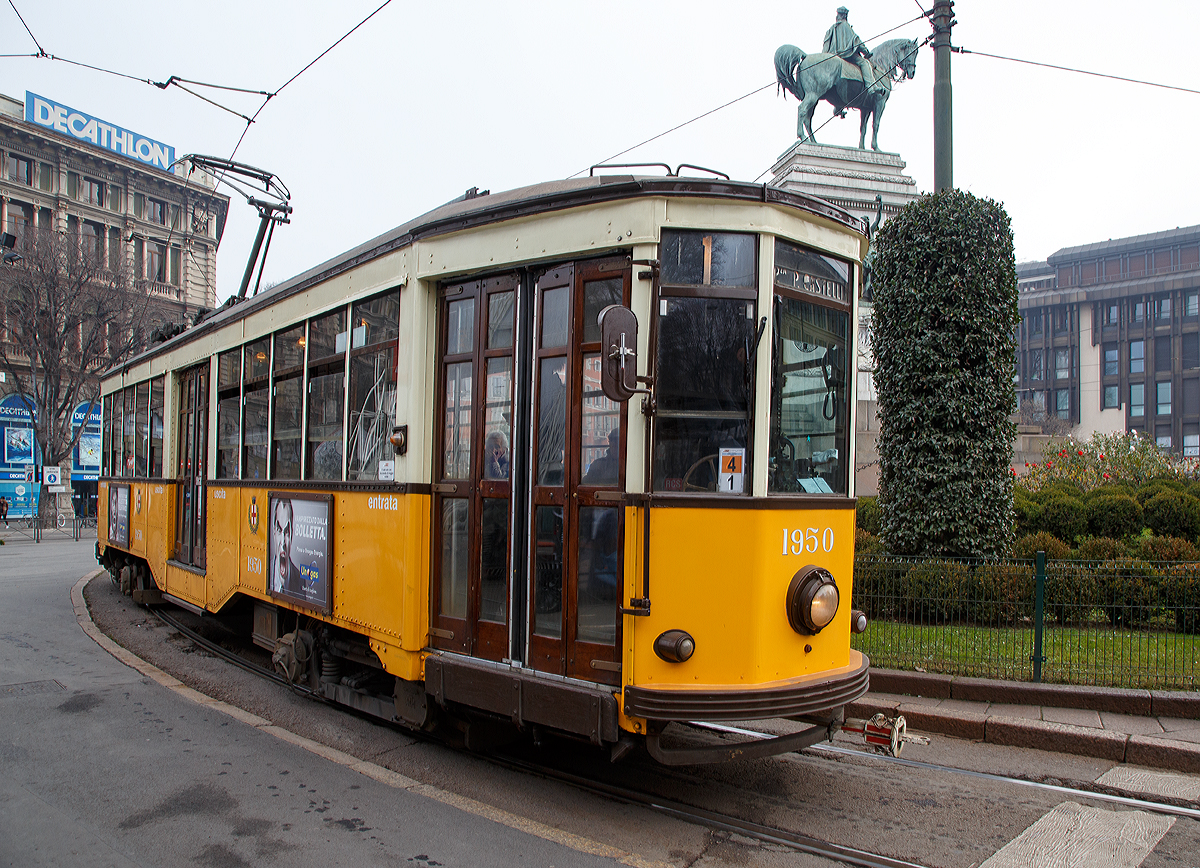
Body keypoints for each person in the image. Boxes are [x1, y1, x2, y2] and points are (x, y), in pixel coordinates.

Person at [823, 7, 884, 95]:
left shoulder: (831, 29)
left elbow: (825, 45)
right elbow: (856, 41)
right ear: (845, 16)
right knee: (864, 63)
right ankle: (870, 86)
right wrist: (866, 52)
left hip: (834, 56)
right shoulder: (846, 25)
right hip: (847, 55)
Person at [270, 498, 302, 596]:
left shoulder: (300, 579)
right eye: (279, 530)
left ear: (292, 535)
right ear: (274, 532)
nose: (283, 543)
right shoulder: (265, 570)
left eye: (287, 532)